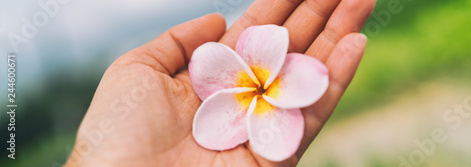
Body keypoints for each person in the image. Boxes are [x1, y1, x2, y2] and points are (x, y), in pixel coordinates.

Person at [66, 0, 376, 166]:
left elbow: (311, 76)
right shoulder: (223, 74)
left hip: (264, 83)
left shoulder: (269, 56)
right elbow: (209, 120)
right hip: (251, 91)